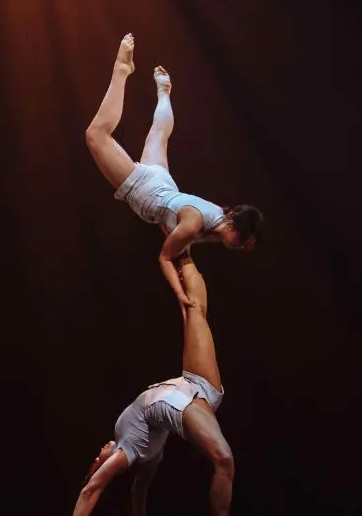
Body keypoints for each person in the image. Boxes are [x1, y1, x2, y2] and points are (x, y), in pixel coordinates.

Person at [84, 34, 265, 307]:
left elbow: (183, 236)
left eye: (243, 244)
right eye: (241, 239)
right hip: (145, 188)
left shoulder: (218, 218)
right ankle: (122, 70)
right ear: (233, 225)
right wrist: (181, 296)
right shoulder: (196, 225)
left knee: (159, 133)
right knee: (96, 134)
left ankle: (164, 92)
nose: (239, 246)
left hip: (164, 185)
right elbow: (165, 257)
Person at [72, 254, 234, 516]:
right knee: (224, 459)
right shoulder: (126, 452)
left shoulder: (146, 455)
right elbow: (89, 491)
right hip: (181, 403)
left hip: (192, 384)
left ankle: (183, 241)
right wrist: (96, 475)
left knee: (195, 310)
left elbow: (139, 491)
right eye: (96, 461)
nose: (100, 451)